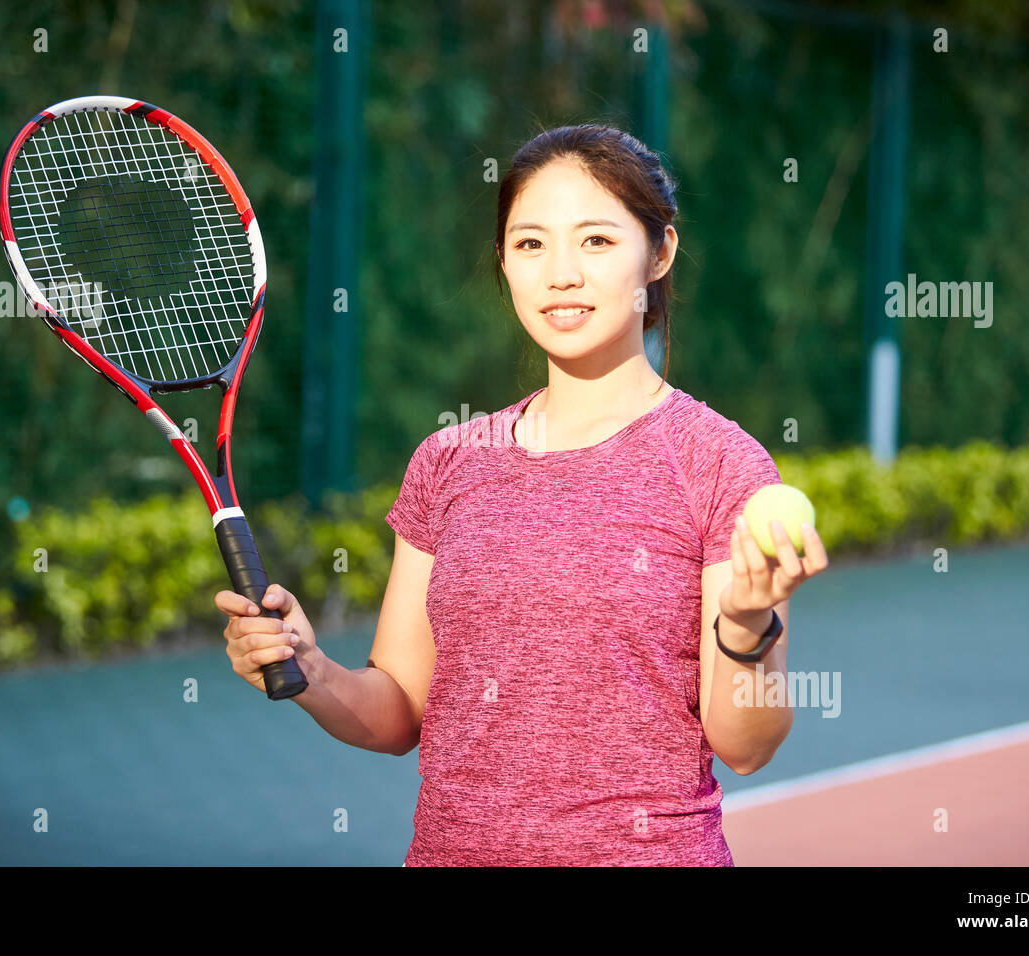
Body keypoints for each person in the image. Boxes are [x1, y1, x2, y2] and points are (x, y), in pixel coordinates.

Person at [215, 124, 829, 866]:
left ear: (658, 253)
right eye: (531, 244)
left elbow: (748, 746)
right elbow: (401, 708)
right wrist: (309, 668)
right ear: (504, 261)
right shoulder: (448, 462)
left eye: (597, 241)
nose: (560, 273)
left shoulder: (720, 465)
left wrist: (744, 619)